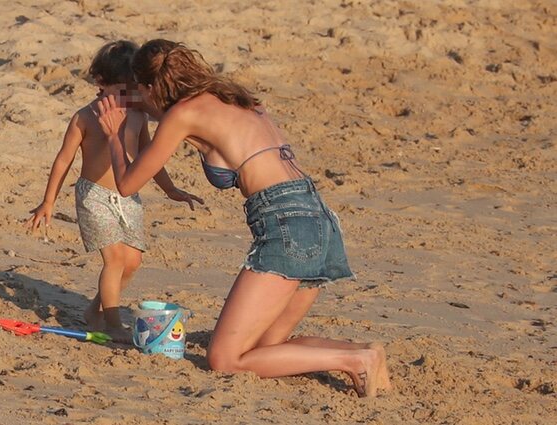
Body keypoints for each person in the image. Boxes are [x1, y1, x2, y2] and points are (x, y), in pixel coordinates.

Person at [96, 39, 391, 396]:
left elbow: (127, 184)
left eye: (141, 93)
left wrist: (113, 135)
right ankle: (362, 352)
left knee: (225, 358)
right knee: (265, 350)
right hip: (318, 219)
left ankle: (354, 363)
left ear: (149, 87)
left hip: (285, 225)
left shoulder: (183, 113)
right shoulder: (237, 97)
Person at [26, 40, 202, 344]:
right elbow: (64, 159)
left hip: (127, 196)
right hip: (93, 195)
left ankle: (95, 311)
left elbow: (149, 156)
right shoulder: (85, 117)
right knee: (115, 260)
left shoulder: (136, 116)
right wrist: (48, 201)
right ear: (101, 82)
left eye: (134, 90)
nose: (129, 98)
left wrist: (171, 188)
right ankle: (112, 322)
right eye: (122, 91)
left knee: (132, 261)